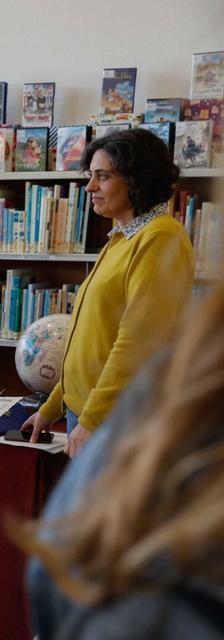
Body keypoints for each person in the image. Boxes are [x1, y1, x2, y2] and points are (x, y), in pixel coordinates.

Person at [10, 282, 224, 640]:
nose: (90, 192)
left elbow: (61, 573)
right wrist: (58, 407)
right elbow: (84, 341)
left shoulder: (188, 380)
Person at [23, 128, 194, 457]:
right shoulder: (122, 237)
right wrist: (54, 405)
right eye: (91, 176)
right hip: (90, 412)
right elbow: (95, 338)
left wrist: (94, 418)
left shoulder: (160, 238)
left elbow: (139, 341)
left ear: (136, 180)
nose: (90, 187)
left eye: (102, 176)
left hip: (117, 420)